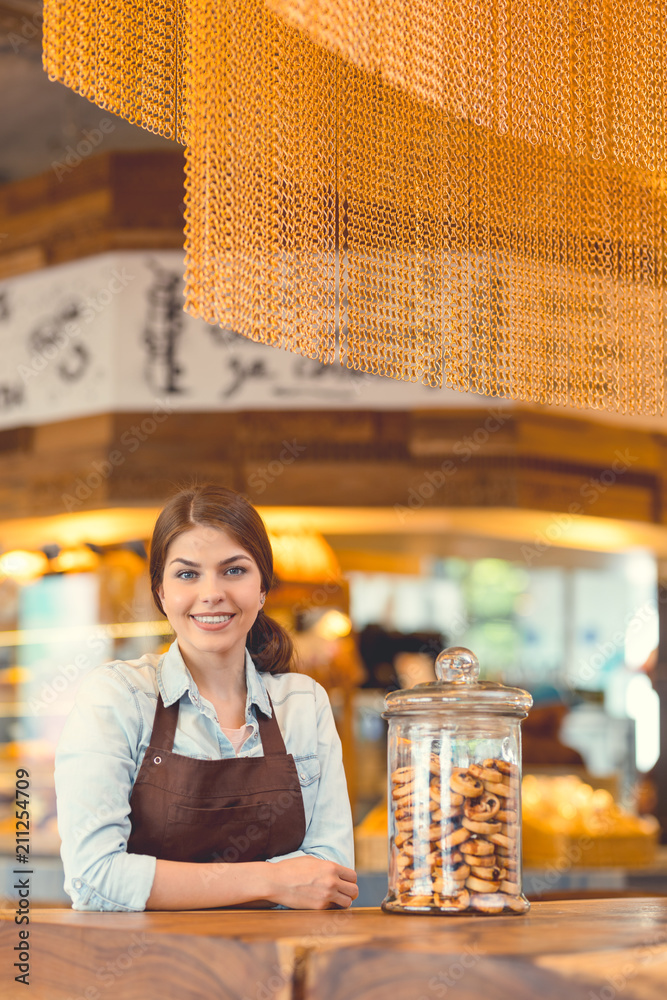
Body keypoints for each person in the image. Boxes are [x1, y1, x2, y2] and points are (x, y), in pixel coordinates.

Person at [55, 484, 358, 911]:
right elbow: (95, 878)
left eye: (234, 570)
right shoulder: (118, 698)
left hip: (281, 970)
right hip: (148, 972)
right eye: (187, 573)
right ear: (161, 592)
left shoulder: (304, 703)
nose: (212, 592)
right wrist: (272, 880)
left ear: (263, 588)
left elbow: (331, 874)